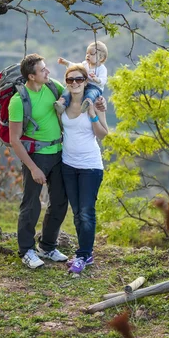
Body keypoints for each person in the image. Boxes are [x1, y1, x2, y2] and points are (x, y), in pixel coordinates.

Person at [9, 53, 69, 269]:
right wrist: (33, 168)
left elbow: (72, 94)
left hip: (60, 153)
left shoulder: (52, 86)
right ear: (31, 76)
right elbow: (14, 140)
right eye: (43, 70)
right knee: (31, 203)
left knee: (60, 201)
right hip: (36, 157)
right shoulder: (19, 101)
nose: (48, 72)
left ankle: (47, 246)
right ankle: (26, 250)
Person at [59, 63, 109, 275]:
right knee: (78, 212)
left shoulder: (96, 103)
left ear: (86, 81)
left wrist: (93, 114)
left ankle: (83, 255)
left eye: (79, 79)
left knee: (87, 212)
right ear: (67, 83)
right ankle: (85, 253)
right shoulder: (64, 104)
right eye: (70, 80)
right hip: (68, 165)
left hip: (90, 166)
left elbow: (103, 133)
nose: (75, 83)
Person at [56, 41, 108, 114]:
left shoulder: (102, 68)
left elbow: (103, 80)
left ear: (101, 58)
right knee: (67, 90)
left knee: (91, 94)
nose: (88, 55)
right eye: (87, 53)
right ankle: (62, 103)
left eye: (91, 54)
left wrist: (97, 79)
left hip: (95, 87)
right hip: (84, 84)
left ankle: (86, 104)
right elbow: (76, 67)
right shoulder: (85, 64)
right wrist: (66, 63)